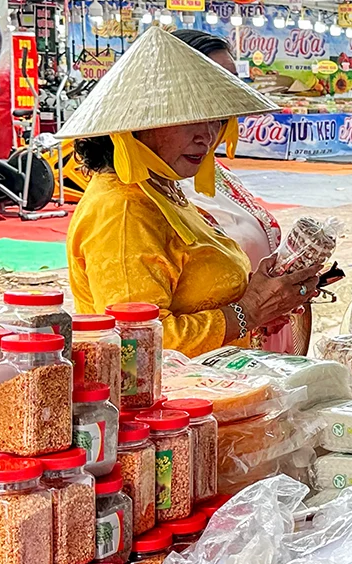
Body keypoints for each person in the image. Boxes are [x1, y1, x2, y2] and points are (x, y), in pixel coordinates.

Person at [63, 26, 320, 357]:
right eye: (189, 119)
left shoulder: (161, 188)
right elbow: (137, 346)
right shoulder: (122, 211)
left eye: (217, 120)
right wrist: (248, 311)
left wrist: (259, 302)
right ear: (140, 120)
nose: (207, 136)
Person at [171, 29, 298, 353]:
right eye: (209, 94)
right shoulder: (137, 200)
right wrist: (249, 312)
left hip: (250, 352)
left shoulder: (211, 171)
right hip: (211, 369)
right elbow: (143, 335)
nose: (209, 130)